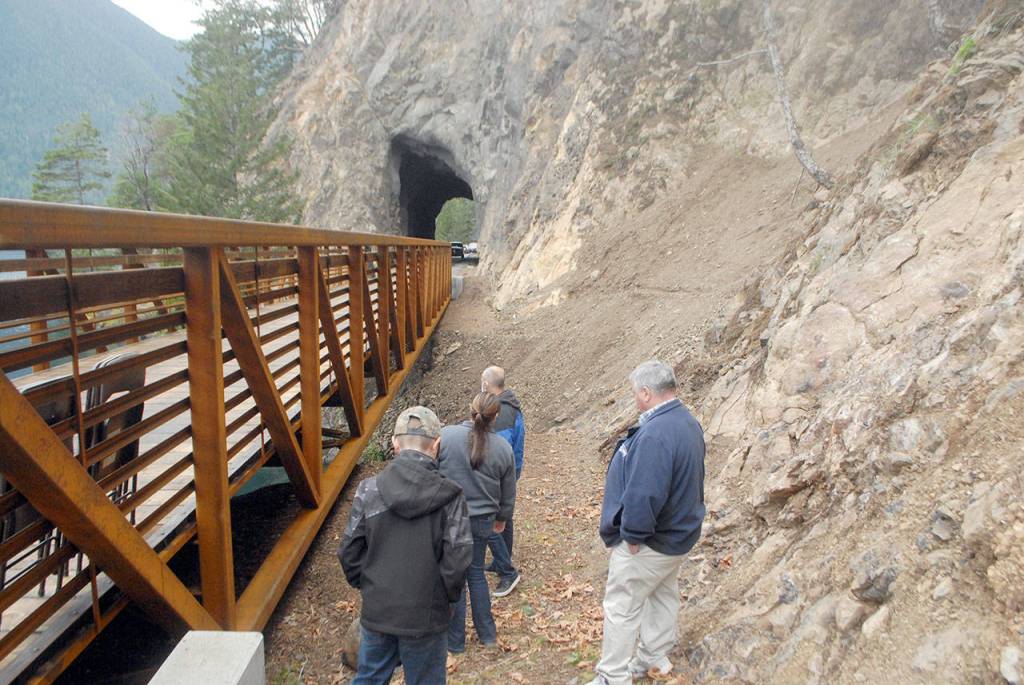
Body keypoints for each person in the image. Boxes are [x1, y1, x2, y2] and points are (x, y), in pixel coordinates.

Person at [587, 361, 706, 685]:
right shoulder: (687, 422)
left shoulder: (655, 433)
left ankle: (612, 676)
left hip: (652, 540)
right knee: (662, 593)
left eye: (634, 393)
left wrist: (634, 535)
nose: (634, 398)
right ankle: (654, 656)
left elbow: (645, 494)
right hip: (679, 535)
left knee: (622, 606)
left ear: (645, 393)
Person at [339, 406, 472, 685]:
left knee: (370, 678)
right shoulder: (451, 497)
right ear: (436, 445)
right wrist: (445, 598)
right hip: (427, 616)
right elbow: (458, 558)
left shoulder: (369, 490)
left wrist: (371, 585)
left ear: (395, 444)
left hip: (378, 611)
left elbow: (349, 551)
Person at [438, 391, 517, 653]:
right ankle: (488, 636)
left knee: (456, 579)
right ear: (495, 417)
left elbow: (433, 474)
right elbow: (508, 492)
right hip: (483, 520)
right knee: (476, 575)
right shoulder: (503, 448)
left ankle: (455, 642)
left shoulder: (446, 436)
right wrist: (502, 518)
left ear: (469, 409)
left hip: (451, 519)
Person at [481, 365, 525, 597]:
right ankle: (502, 560)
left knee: (490, 519)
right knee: (502, 515)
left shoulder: (502, 413)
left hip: (500, 473)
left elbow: (500, 449)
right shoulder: (511, 403)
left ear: (487, 384)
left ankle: (507, 571)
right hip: (510, 469)